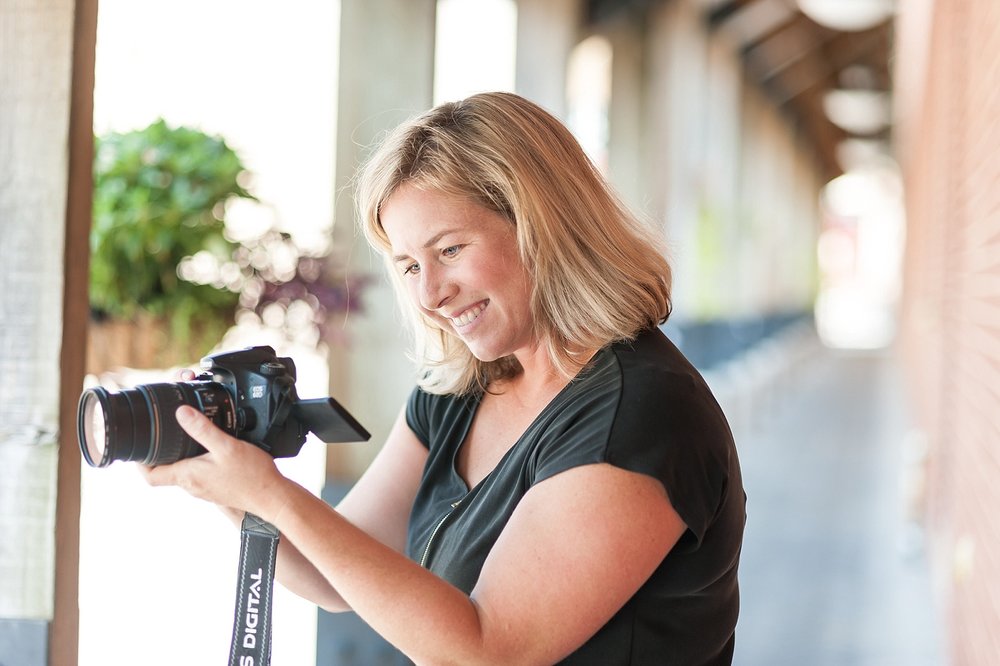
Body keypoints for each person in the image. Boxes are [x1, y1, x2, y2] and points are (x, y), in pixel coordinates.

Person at [144, 91, 746, 665]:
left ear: (543, 226)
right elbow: (335, 573)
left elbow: (487, 650)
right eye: (409, 265)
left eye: (451, 250)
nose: (430, 293)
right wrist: (227, 482)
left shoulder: (642, 414)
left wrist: (270, 494)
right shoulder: (459, 393)